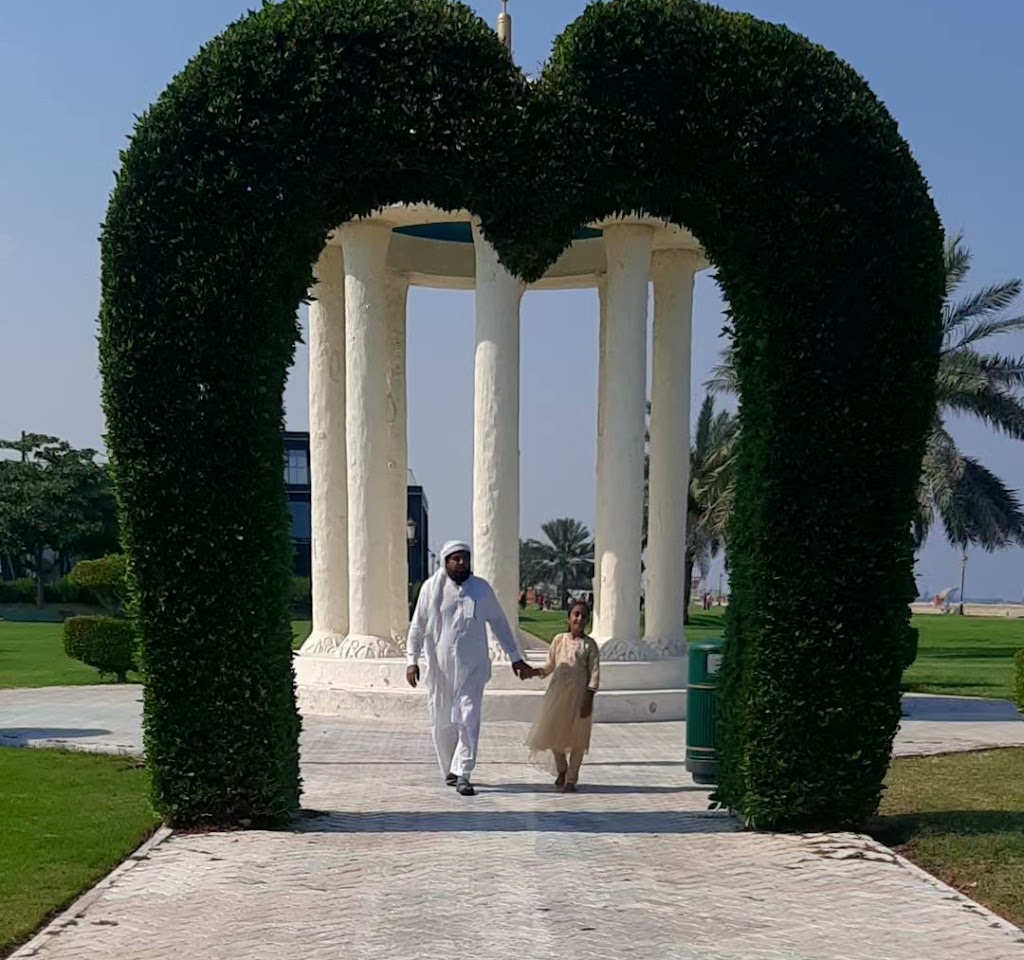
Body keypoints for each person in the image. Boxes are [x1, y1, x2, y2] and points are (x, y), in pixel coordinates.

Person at [406, 540, 531, 797]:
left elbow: (499, 624)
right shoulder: (431, 589)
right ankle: (449, 770)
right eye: (456, 558)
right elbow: (417, 627)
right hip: (440, 669)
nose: (462, 563)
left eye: (465, 558)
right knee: (442, 720)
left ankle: (463, 772)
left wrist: (515, 656)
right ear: (446, 562)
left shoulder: (481, 590)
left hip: (473, 668)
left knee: (468, 715)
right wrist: (412, 660)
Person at [524, 599, 601, 793]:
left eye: (584, 616)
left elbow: (594, 673)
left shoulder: (589, 645)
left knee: (577, 739)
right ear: (568, 618)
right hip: (557, 696)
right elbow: (550, 666)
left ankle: (571, 779)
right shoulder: (559, 640)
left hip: (580, 698)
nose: (579, 619)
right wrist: (534, 672)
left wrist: (589, 697)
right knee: (555, 735)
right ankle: (562, 770)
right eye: (576, 614)